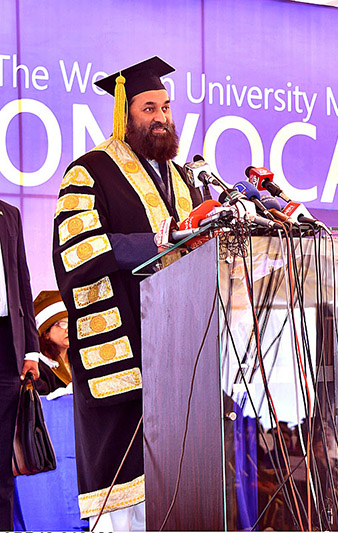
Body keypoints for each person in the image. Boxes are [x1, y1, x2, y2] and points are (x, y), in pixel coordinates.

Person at [52, 56, 202, 530]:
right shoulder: (88, 171)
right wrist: (156, 241)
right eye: (148, 107)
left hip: (176, 353)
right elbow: (77, 252)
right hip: (123, 347)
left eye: (165, 107)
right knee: (123, 492)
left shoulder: (181, 178)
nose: (161, 117)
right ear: (125, 114)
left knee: (176, 483)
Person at [0, 200, 42, 530]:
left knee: (2, 458)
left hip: (6, 344)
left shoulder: (9, 214)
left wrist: (32, 350)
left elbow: (23, 285)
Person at [32, 290, 72, 395]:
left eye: (70, 323)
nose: (68, 329)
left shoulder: (78, 359)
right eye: (62, 324)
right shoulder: (38, 366)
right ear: (46, 333)